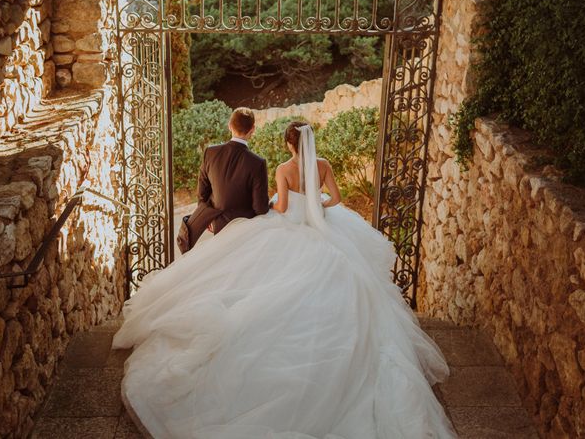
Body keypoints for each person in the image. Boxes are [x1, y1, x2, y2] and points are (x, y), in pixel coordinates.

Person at [113, 121, 456, 439]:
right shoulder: (323, 166)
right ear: (308, 141)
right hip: (322, 227)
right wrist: (317, 203)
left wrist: (284, 201)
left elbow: (278, 208)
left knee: (255, 279)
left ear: (289, 144)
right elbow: (336, 199)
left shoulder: (283, 169)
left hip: (291, 227)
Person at [176, 107, 269, 253]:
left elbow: (202, 192)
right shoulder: (257, 163)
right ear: (252, 130)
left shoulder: (210, 153)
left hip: (217, 224)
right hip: (244, 230)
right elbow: (260, 208)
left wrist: (207, 217)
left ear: (230, 126)